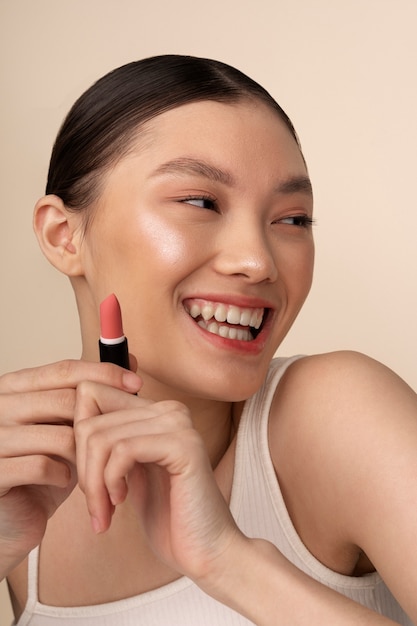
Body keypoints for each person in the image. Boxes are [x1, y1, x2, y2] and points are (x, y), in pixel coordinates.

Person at [1, 54, 416, 626]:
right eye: (200, 203)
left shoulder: (333, 415)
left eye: (293, 219)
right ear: (63, 235)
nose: (256, 261)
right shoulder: (29, 509)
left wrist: (230, 562)